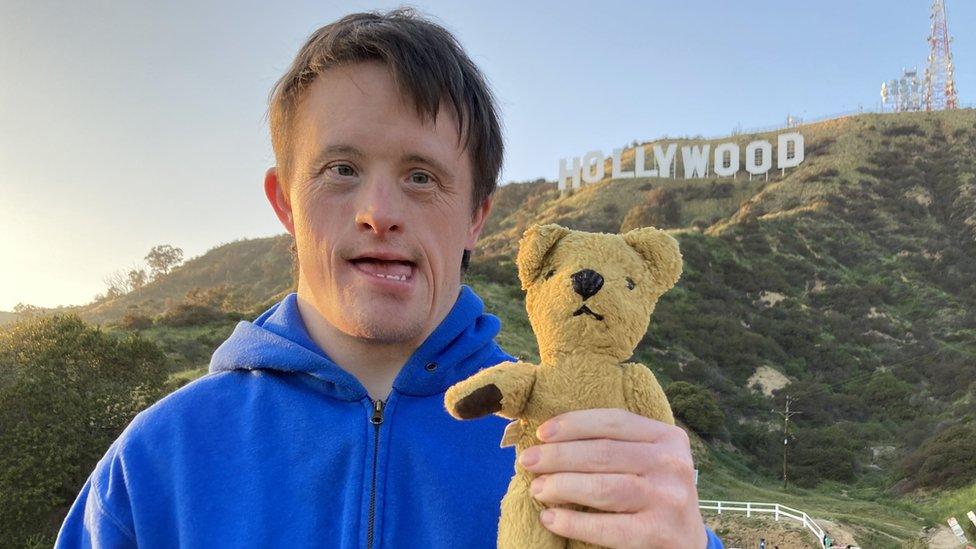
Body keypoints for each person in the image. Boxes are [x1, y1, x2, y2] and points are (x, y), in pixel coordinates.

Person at [56, 8, 723, 548]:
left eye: (421, 176)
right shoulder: (154, 464)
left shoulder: (577, 445)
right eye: (341, 168)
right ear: (285, 201)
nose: (380, 213)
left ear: (475, 218)